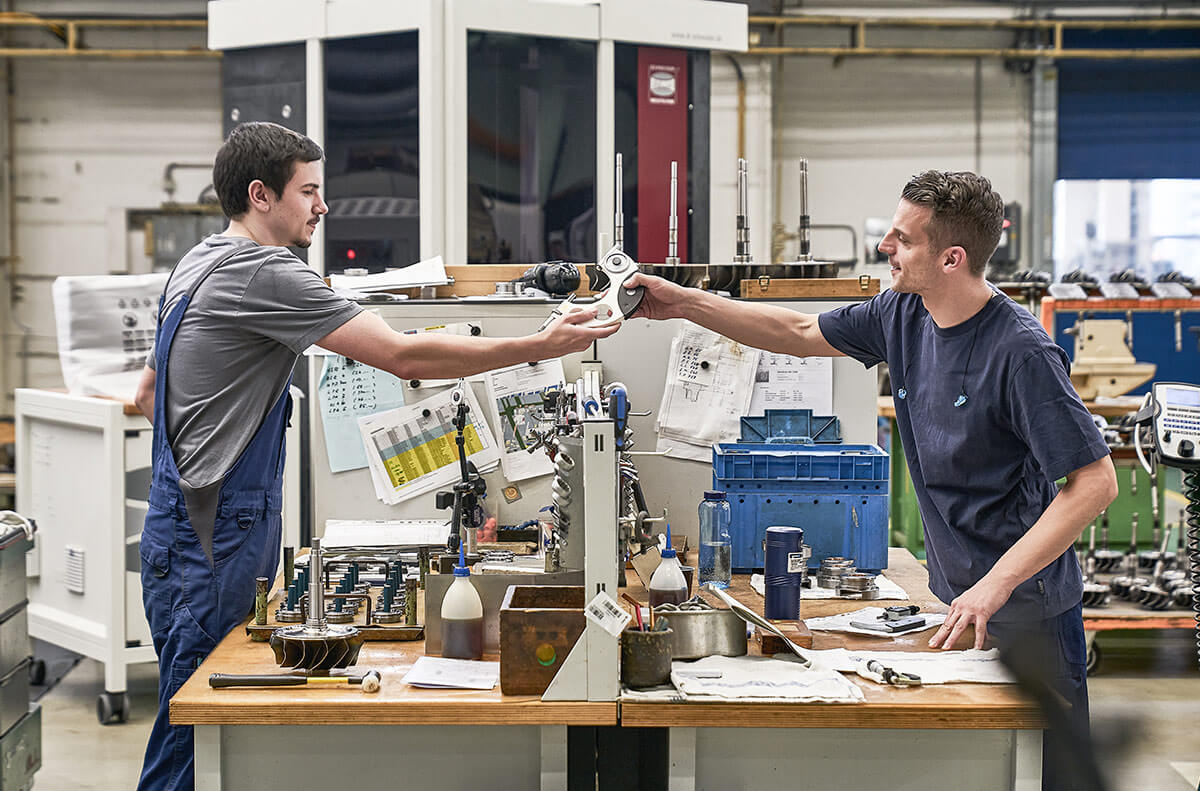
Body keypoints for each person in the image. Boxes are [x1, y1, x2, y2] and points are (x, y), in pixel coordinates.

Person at [132, 121, 615, 791]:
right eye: (309, 191)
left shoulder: (197, 261)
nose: (323, 206)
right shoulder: (265, 270)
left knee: (194, 719)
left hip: (175, 532)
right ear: (260, 195)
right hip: (213, 539)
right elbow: (402, 354)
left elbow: (147, 389)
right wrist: (540, 344)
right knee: (194, 733)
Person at [628, 170, 1117, 790]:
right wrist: (684, 302)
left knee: (1055, 777)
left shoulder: (1021, 353)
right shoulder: (903, 312)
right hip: (956, 607)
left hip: (1029, 617)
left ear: (951, 258)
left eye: (901, 239)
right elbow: (801, 334)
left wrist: (993, 586)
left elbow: (1095, 484)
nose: (885, 247)